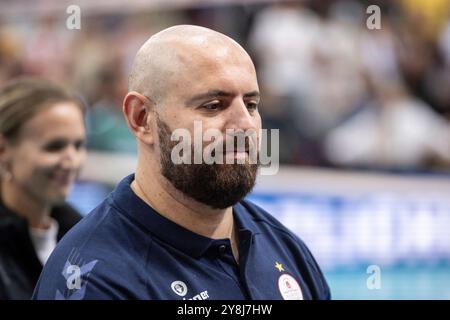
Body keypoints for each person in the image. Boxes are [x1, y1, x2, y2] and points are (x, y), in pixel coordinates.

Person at [33, 25, 330, 300]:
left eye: (251, 104)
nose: (244, 125)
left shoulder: (286, 249)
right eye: (213, 105)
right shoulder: (94, 280)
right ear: (141, 118)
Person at [0, 78, 87, 299]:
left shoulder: (82, 232)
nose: (71, 161)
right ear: (3, 150)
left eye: (77, 145)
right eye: (54, 146)